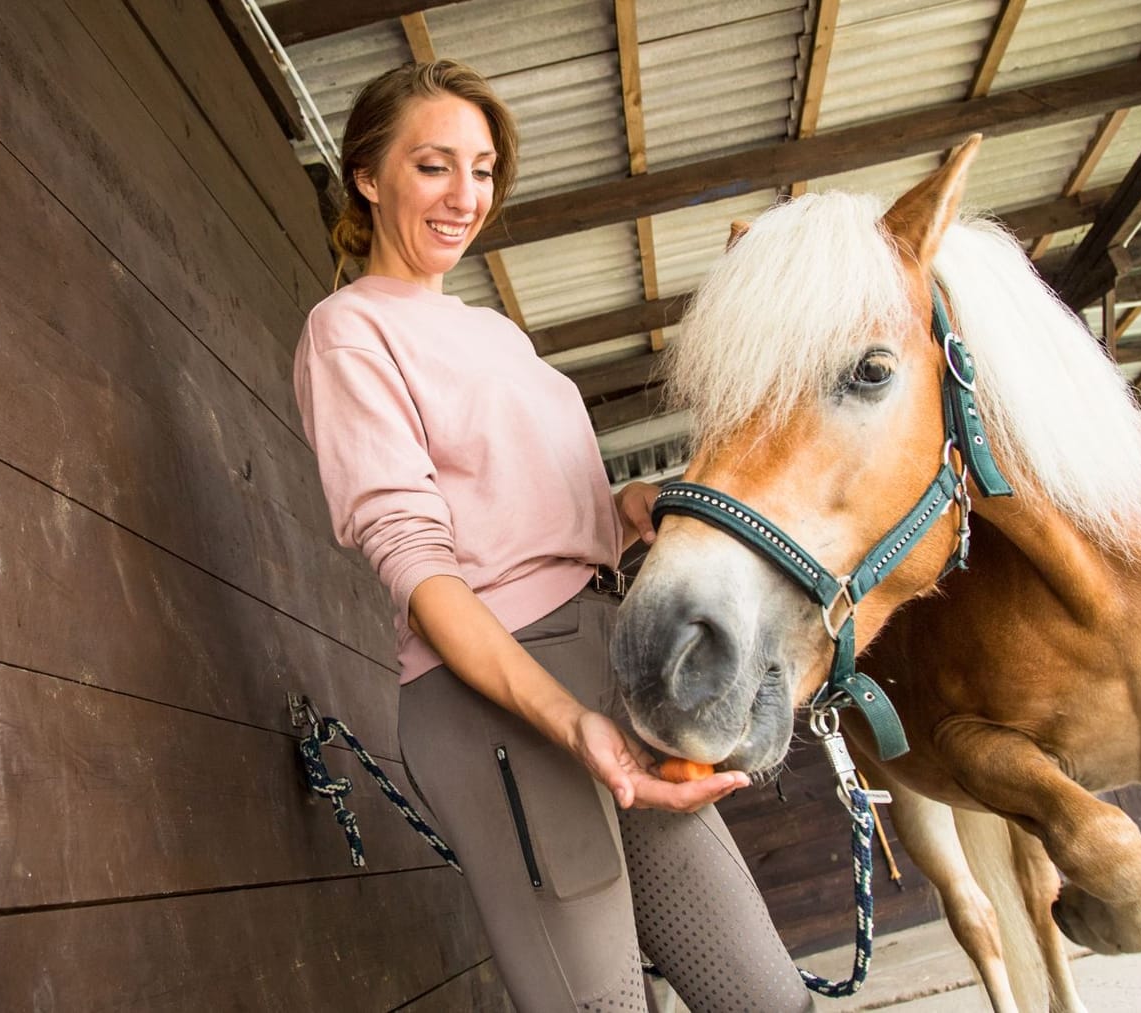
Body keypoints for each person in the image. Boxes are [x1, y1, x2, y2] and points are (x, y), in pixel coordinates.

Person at [293, 60, 813, 1013]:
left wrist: (629, 504)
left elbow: (527, 501)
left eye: (483, 169)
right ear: (368, 178)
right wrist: (569, 720)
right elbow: (419, 564)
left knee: (766, 996)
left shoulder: (493, 333)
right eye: (436, 166)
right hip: (498, 695)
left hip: (609, 658)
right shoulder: (349, 331)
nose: (466, 197)